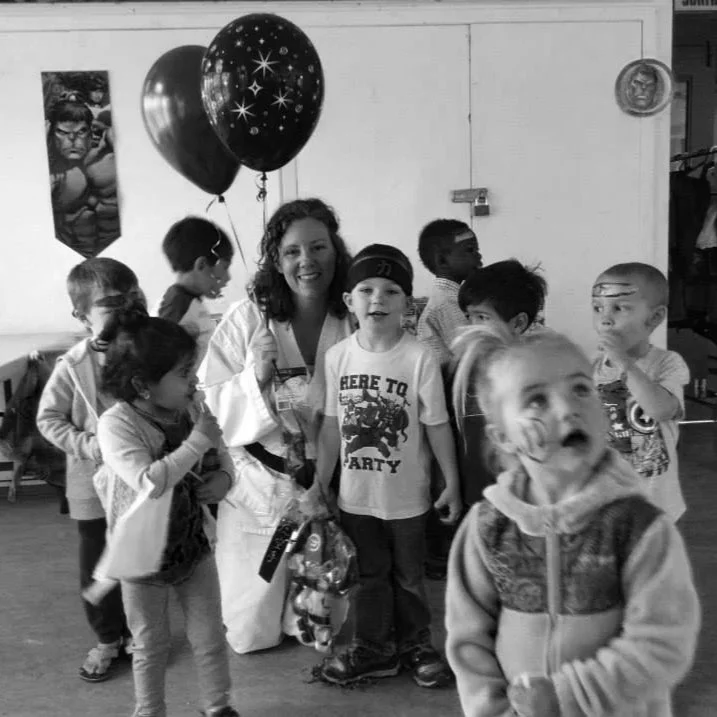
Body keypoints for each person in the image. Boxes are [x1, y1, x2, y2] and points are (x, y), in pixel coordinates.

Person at [445, 326, 700, 717]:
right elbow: (469, 641)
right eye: (536, 400)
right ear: (503, 438)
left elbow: (663, 642)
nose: (567, 409)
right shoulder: (486, 528)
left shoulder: (639, 527)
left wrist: (567, 698)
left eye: (581, 389)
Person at [196, 197, 354, 654]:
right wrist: (254, 379)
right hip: (261, 488)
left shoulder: (351, 316)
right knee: (251, 634)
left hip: (329, 484)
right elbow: (207, 402)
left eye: (319, 247)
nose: (307, 261)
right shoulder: (248, 318)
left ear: (336, 251)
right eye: (292, 252)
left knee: (316, 631)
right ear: (276, 260)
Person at [310, 244, 462, 688]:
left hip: (408, 498)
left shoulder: (420, 359)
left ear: (407, 304)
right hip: (356, 498)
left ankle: (417, 645)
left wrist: (450, 482)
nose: (377, 299)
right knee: (369, 577)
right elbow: (332, 430)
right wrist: (320, 484)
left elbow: (437, 427)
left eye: (391, 291)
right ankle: (374, 648)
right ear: (348, 301)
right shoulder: (337, 356)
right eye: (366, 289)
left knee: (411, 578)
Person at [94, 308, 240, 717]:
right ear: (143, 384)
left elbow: (222, 454)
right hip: (140, 558)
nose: (193, 380)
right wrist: (196, 442)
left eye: (191, 370)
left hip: (191, 546)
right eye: (183, 373)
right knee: (149, 643)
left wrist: (225, 478)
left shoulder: (190, 410)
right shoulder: (116, 424)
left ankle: (218, 707)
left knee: (210, 636)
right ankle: (149, 710)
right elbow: (149, 481)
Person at [36, 257, 143, 682]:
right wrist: (92, 445)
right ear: (81, 315)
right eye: (112, 304)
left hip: (137, 482)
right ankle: (107, 637)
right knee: (97, 563)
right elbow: (48, 419)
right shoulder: (72, 366)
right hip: (90, 487)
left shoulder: (145, 351)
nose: (127, 309)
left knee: (138, 558)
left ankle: (140, 631)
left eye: (133, 298)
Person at [592, 262, 691, 522]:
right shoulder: (591, 368)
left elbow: (660, 409)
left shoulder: (667, 364)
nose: (605, 317)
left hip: (654, 503)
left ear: (655, 317)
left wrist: (624, 363)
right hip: (604, 500)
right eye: (598, 308)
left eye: (620, 308)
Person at [454, 259, 548, 508]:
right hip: (473, 496)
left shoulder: (541, 373)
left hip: (525, 499)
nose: (471, 327)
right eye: (468, 317)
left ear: (517, 323)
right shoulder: (461, 371)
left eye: (482, 317)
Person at [155, 216, 233, 369]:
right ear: (202, 265)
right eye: (224, 267)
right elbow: (160, 361)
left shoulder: (188, 301)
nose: (228, 277)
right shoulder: (178, 305)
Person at [416, 219, 482, 370]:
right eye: (470, 250)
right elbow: (470, 355)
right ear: (442, 261)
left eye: (477, 250)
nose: (479, 256)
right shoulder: (447, 304)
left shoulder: (454, 298)